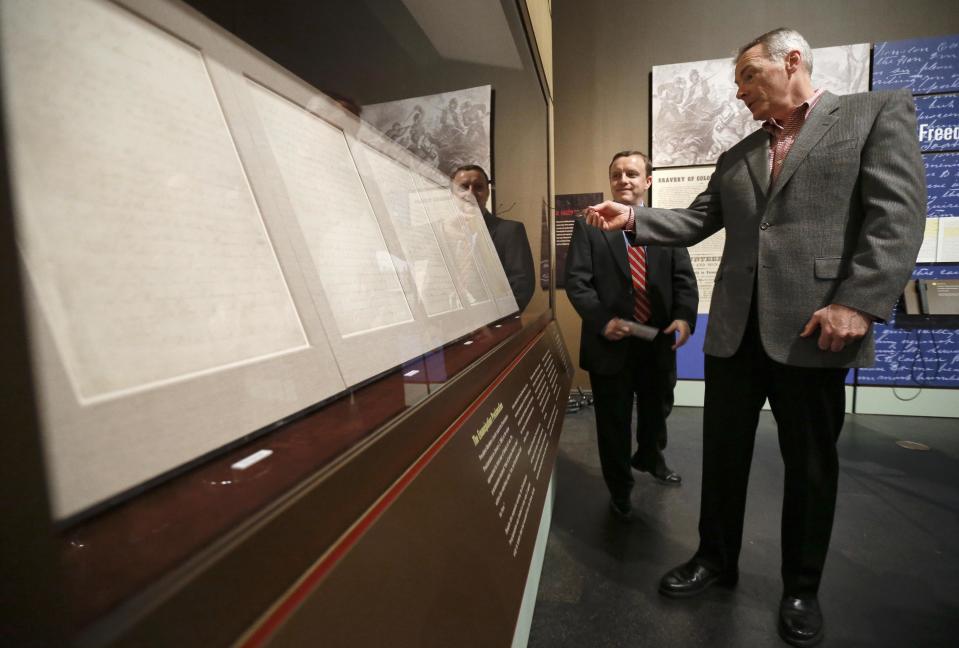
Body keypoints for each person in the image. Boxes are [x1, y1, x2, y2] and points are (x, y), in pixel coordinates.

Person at [585, 28, 925, 647]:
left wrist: (859, 301)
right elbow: (696, 220)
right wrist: (635, 216)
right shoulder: (737, 154)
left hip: (813, 327)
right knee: (723, 457)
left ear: (791, 61)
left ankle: (801, 587)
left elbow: (896, 217)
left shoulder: (874, 114)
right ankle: (715, 559)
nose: (738, 91)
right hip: (737, 332)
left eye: (747, 76)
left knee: (810, 466)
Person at [565, 151, 698, 521]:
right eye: (617, 174)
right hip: (610, 343)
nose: (624, 180)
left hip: (656, 341)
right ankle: (620, 487)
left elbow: (683, 280)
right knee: (613, 422)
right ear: (610, 181)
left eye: (632, 174)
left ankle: (650, 458)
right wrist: (601, 319)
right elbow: (577, 282)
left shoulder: (667, 224)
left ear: (647, 182)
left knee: (658, 411)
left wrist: (685, 318)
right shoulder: (589, 225)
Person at [451, 165, 535, 311]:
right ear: (452, 193)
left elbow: (522, 287)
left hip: (492, 326)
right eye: (464, 187)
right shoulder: (441, 233)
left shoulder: (510, 231)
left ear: (487, 192)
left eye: (478, 187)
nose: (471, 193)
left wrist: (494, 325)